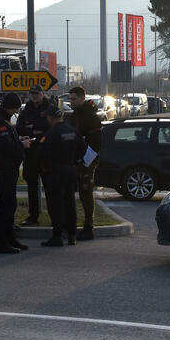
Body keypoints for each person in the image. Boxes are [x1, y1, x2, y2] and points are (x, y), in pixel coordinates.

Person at [0, 93, 30, 253]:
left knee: (10, 205)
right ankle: (1, 242)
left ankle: (10, 238)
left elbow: (8, 142)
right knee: (5, 206)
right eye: (15, 109)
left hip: (7, 168)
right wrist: (22, 146)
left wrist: (19, 140)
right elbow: (5, 148)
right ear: (11, 107)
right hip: (3, 169)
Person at [37, 106, 83, 247]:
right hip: (70, 169)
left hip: (56, 172)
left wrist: (45, 169)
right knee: (70, 202)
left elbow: (42, 154)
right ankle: (72, 235)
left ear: (51, 118)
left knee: (56, 204)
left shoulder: (50, 134)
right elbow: (81, 150)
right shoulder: (73, 131)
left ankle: (57, 236)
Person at [66, 86, 102, 241]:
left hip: (87, 161)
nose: (71, 102)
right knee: (79, 194)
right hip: (76, 160)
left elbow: (96, 143)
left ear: (82, 98)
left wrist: (85, 161)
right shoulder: (75, 115)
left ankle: (89, 227)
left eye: (74, 99)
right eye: (70, 99)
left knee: (86, 193)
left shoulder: (90, 117)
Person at [15, 85, 51, 226]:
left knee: (49, 186)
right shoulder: (27, 108)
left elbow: (50, 127)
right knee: (32, 186)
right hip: (30, 153)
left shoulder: (49, 107)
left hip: (46, 153)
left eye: (37, 93)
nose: (34, 96)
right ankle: (33, 216)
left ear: (42, 94)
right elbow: (19, 127)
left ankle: (54, 216)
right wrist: (35, 129)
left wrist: (32, 128)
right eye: (32, 94)